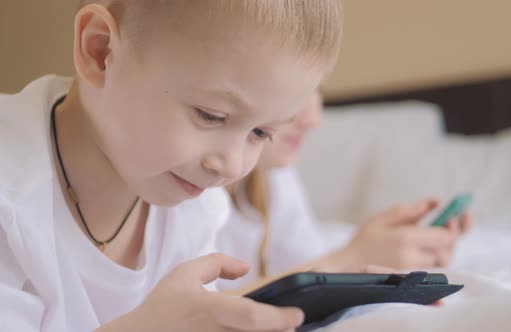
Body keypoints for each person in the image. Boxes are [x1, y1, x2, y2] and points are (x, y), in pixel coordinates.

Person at [0, 1, 343, 331]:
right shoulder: (11, 199)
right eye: (212, 115)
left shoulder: (197, 208)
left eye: (260, 132)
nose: (231, 166)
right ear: (101, 52)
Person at [217, 91, 474, 291]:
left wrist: (393, 257)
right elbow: (193, 311)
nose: (314, 119)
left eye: (318, 88)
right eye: (299, 88)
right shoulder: (190, 192)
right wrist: (350, 258)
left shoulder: (274, 176)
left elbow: (302, 270)